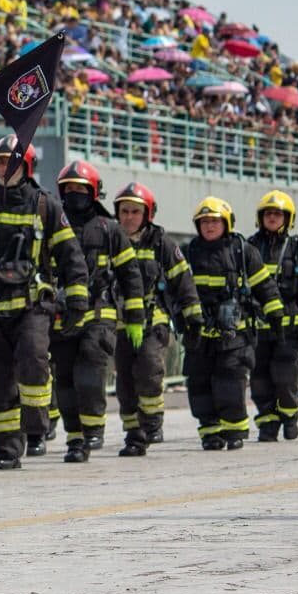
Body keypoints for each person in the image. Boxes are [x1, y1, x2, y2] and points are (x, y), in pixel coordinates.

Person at [0, 136, 88, 470]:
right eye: (0, 162)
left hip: (33, 304)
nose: (4, 168)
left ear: (26, 167)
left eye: (11, 162)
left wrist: (76, 301)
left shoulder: (45, 206)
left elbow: (71, 257)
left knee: (33, 360)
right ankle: (6, 450)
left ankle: (36, 430)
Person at [49, 161, 144, 462]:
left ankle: (93, 430)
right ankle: (76, 440)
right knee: (64, 379)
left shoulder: (110, 230)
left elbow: (130, 273)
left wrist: (136, 317)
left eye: (81, 189)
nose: (75, 194)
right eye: (70, 189)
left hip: (99, 312)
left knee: (90, 367)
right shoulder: (54, 226)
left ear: (94, 193)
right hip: (62, 313)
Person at [184, 198, 283, 451]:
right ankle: (209, 432)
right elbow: (177, 289)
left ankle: (235, 431)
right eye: (204, 222)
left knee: (229, 381)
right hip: (199, 333)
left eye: (214, 221)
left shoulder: (243, 251)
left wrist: (275, 316)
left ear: (226, 223)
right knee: (199, 383)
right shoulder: (189, 251)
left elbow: (265, 286)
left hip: (235, 333)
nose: (209, 226)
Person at [112, 182, 201, 456]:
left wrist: (193, 318)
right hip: (119, 322)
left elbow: (183, 282)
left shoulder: (163, 244)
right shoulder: (109, 239)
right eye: (124, 211)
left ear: (147, 214)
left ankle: (151, 425)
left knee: (149, 370)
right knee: (125, 381)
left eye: (135, 212)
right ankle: (133, 432)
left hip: (154, 320)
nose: (128, 217)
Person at [247, 191, 298, 442]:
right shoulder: (249, 247)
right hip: (258, 326)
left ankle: (290, 417)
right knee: (259, 380)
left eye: (277, 214)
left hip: (290, 329)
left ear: (287, 218)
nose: (272, 217)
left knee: (285, 378)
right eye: (268, 213)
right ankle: (267, 424)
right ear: (261, 217)